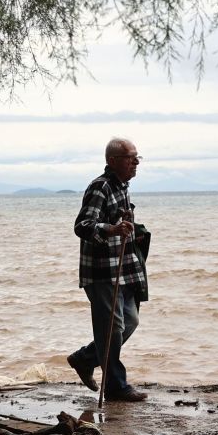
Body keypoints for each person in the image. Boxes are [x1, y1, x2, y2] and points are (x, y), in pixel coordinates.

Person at [67, 137, 149, 402]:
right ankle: (116, 386)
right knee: (112, 329)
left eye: (137, 157)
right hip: (102, 271)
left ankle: (85, 358)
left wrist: (132, 230)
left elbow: (119, 221)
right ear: (113, 161)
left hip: (123, 268)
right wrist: (111, 229)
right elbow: (82, 225)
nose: (136, 162)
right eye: (130, 158)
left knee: (130, 322)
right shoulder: (100, 187)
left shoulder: (122, 187)